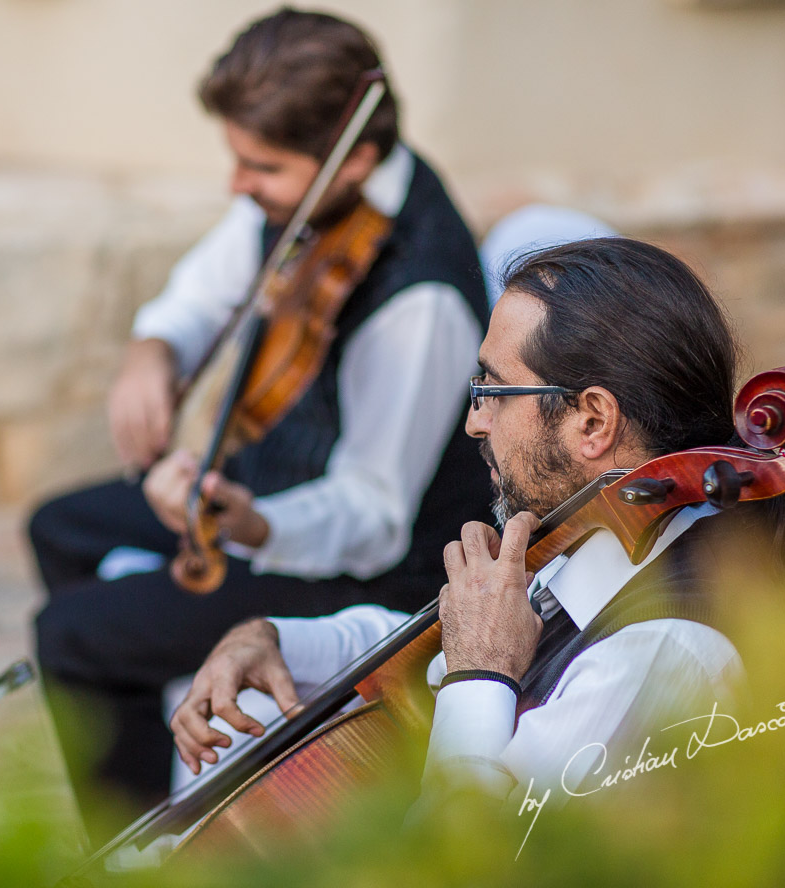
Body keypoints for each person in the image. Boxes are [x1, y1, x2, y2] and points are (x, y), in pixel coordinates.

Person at [171, 236, 785, 808]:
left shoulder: (660, 654)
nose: (473, 421)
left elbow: (464, 863)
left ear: (593, 422)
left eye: (491, 389)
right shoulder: (607, 529)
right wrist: (279, 642)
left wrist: (481, 675)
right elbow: (426, 662)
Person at [30, 7, 492, 830]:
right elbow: (208, 284)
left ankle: (142, 854)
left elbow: (373, 516)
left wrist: (253, 524)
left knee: (73, 638)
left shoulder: (419, 300)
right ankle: (153, 702)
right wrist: (153, 348)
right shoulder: (308, 195)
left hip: (365, 568)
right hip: (266, 491)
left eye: (260, 167)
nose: (237, 184)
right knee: (60, 528)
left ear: (355, 160)